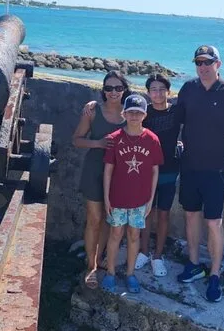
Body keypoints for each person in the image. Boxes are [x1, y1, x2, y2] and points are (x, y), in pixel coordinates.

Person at [176, 45, 224, 303]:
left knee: (213, 222)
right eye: (199, 62)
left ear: (218, 64)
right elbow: (177, 120)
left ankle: (215, 273)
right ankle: (194, 264)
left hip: (217, 170)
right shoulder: (188, 89)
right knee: (190, 216)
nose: (203, 67)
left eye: (208, 62)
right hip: (189, 166)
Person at [72, 71, 129, 289]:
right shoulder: (93, 111)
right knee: (94, 218)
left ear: (124, 90)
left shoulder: (130, 112)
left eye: (118, 88)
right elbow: (77, 140)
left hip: (120, 173)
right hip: (95, 169)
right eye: (108, 88)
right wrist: (98, 143)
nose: (113, 92)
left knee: (108, 218)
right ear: (103, 90)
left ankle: (100, 257)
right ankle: (91, 266)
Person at [101, 94, 162, 293]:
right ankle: (110, 272)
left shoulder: (152, 140)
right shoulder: (114, 139)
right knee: (115, 233)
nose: (134, 116)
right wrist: (106, 198)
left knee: (134, 235)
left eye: (138, 112)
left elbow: (155, 171)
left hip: (140, 200)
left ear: (144, 115)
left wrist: (150, 199)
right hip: (117, 198)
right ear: (124, 114)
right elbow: (108, 170)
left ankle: (130, 274)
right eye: (131, 112)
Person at [133, 73, 182, 277]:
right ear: (148, 93)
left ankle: (158, 256)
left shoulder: (177, 111)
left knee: (163, 214)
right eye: (154, 89)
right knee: (146, 213)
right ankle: (143, 252)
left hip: (170, 169)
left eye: (162, 89)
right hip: (146, 170)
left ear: (169, 92)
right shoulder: (144, 113)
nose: (158, 93)